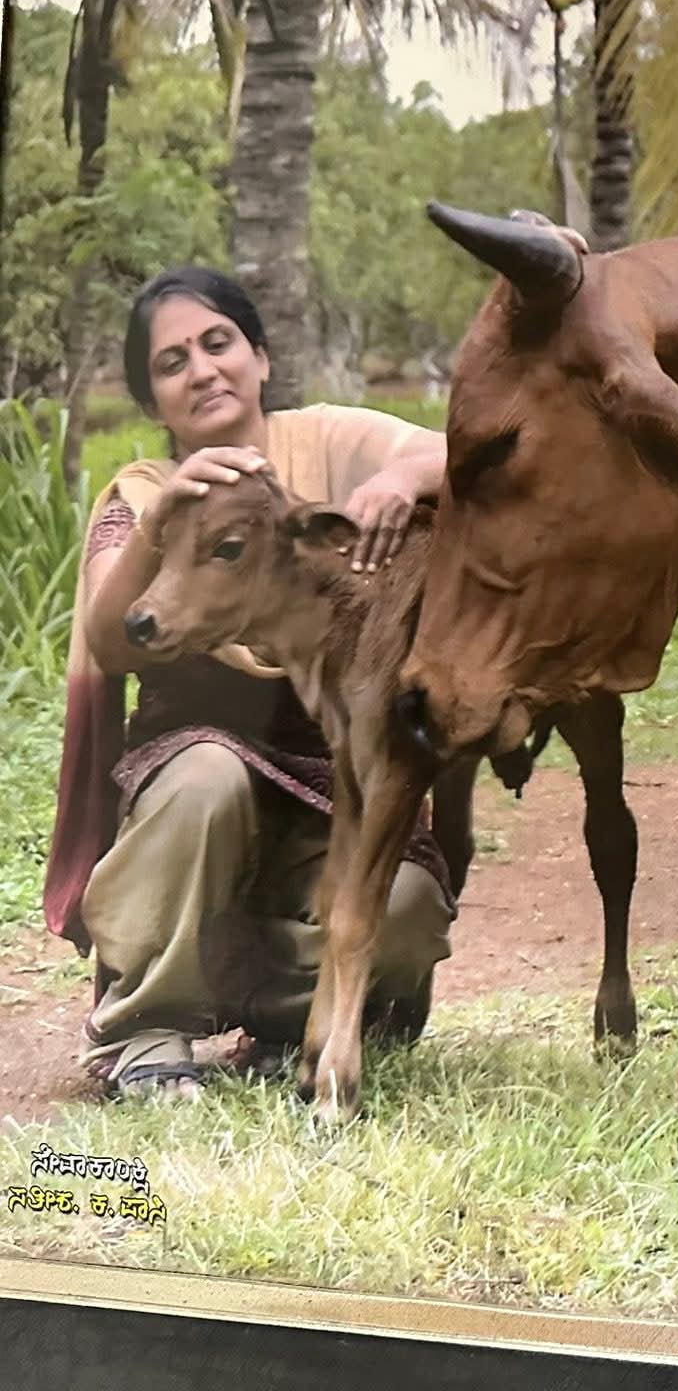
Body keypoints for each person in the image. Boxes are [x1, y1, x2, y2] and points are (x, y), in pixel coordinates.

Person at [43, 265, 458, 1103]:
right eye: (171, 363)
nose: (201, 370)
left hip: (330, 790)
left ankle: (291, 1023)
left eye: (218, 342)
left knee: (408, 905)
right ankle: (150, 1026)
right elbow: (109, 640)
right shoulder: (148, 497)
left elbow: (450, 454)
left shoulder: (327, 442)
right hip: (194, 797)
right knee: (207, 776)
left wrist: (397, 482)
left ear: (260, 357)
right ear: (153, 401)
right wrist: (161, 528)